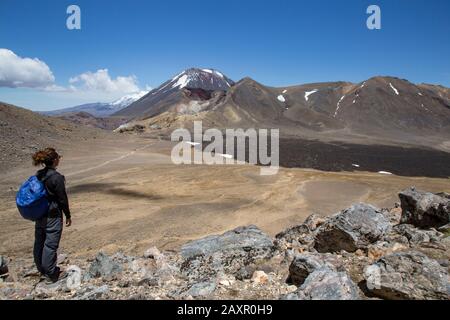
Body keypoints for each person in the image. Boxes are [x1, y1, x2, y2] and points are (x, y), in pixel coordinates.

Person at [31, 148, 72, 283]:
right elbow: (62, 199)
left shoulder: (39, 174)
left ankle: (42, 270)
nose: (59, 159)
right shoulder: (56, 177)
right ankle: (51, 274)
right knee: (50, 244)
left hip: (40, 214)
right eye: (58, 158)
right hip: (53, 215)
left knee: (40, 242)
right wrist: (67, 215)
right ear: (54, 160)